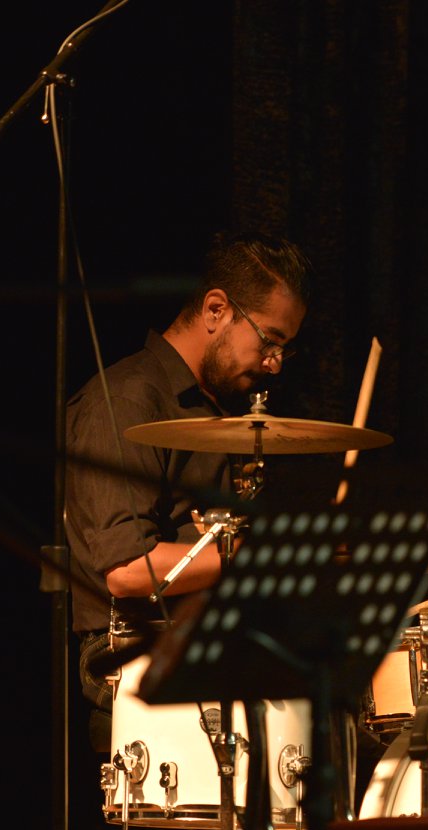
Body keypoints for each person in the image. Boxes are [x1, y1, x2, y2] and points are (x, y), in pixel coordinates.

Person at [67, 232, 310, 737]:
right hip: (136, 654)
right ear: (216, 309)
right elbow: (127, 571)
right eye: (269, 340)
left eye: (285, 349)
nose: (274, 363)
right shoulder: (127, 402)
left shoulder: (220, 410)